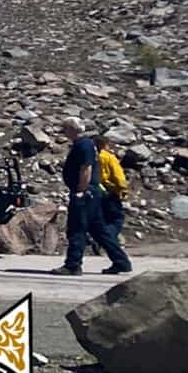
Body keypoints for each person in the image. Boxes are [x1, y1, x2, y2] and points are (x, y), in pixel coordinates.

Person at [52, 117, 128, 275]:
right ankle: (121, 262)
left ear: (73, 129)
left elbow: (86, 168)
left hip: (86, 193)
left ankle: (73, 265)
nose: (63, 132)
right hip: (92, 193)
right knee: (99, 230)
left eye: (65, 128)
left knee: (76, 228)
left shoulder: (83, 145)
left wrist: (81, 190)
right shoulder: (86, 144)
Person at [90, 128, 135, 276]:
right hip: (110, 193)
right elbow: (119, 176)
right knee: (116, 219)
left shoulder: (91, 157)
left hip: (96, 193)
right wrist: (123, 190)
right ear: (105, 145)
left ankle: (107, 242)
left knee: (103, 222)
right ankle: (109, 242)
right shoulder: (108, 157)